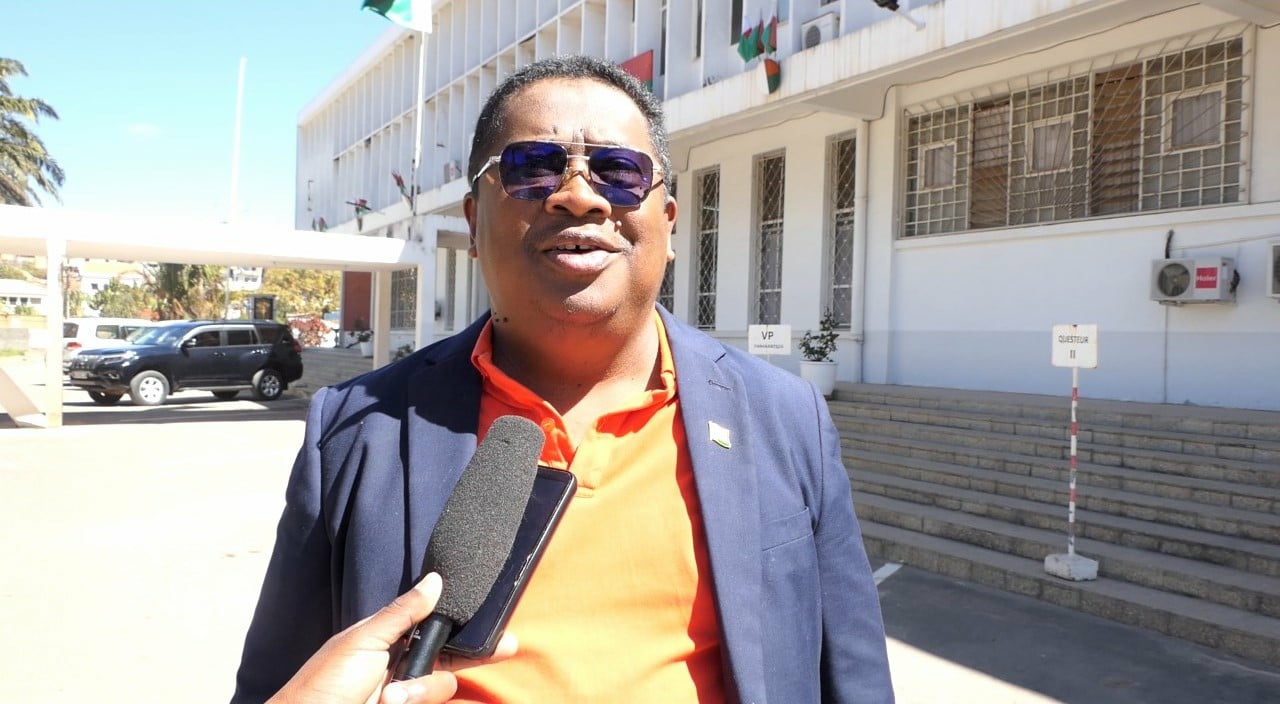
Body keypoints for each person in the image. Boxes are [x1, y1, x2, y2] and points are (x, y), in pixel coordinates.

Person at [233, 54, 895, 703]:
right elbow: (280, 685)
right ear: (473, 221)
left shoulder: (783, 417)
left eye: (619, 171)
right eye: (532, 167)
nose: (578, 195)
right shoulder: (356, 428)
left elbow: (853, 676)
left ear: (668, 223)